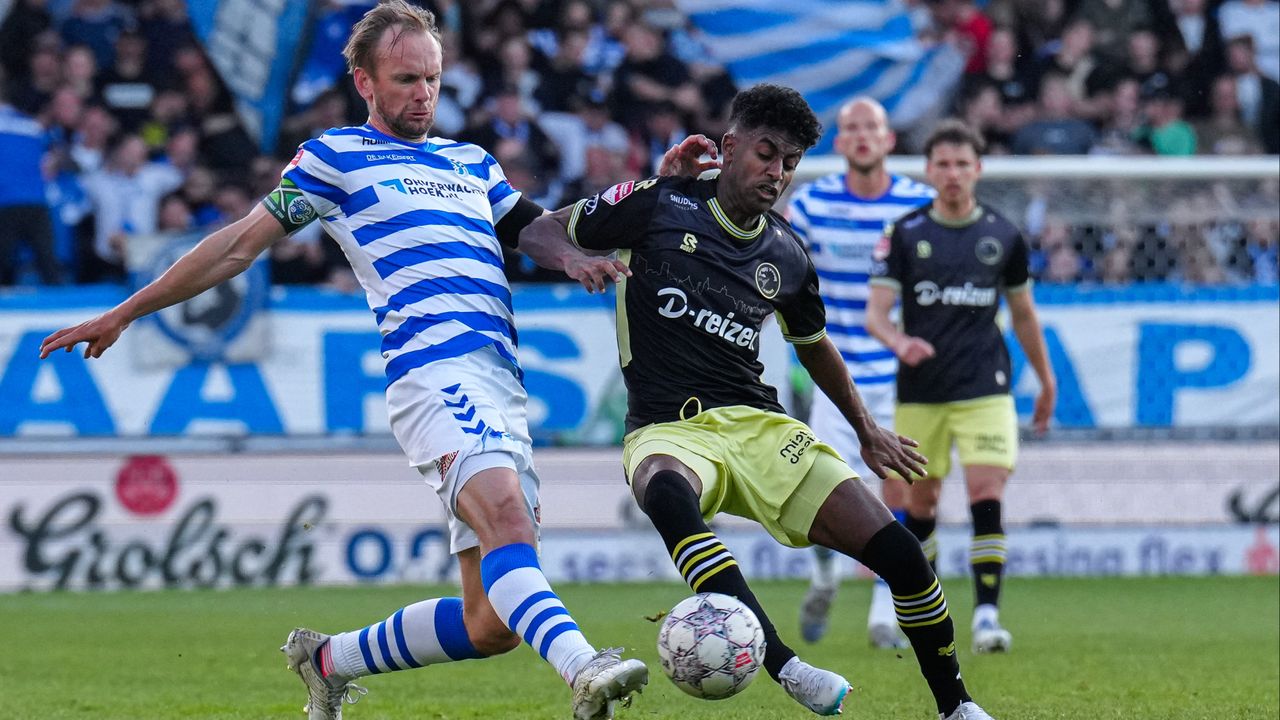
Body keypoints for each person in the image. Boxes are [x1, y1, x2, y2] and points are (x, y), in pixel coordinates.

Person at [37, 3, 715, 720]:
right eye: (406, 79)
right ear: (363, 80)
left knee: (490, 626)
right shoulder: (337, 158)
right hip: (433, 372)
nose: (423, 93)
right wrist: (125, 310)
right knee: (509, 524)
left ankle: (328, 662)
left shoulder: (469, 162)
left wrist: (640, 202)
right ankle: (585, 669)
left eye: (432, 78)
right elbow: (239, 244)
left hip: (501, 383)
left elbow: (537, 229)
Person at [520, 83, 997, 720]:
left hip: (761, 427)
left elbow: (814, 344)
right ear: (729, 146)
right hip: (668, 427)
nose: (776, 173)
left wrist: (865, 429)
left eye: (790, 163)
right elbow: (540, 230)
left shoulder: (788, 254)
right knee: (665, 490)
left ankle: (958, 707)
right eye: (766, 154)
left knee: (904, 556)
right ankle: (785, 665)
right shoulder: (656, 203)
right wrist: (579, 260)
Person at [866, 119, 1056, 655]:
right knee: (920, 505)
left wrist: (1045, 380)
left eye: (961, 164)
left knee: (985, 494)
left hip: (987, 389)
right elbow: (876, 315)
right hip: (922, 392)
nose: (952, 174)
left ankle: (988, 618)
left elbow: (1023, 315)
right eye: (942, 164)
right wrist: (901, 343)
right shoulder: (904, 234)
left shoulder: (1003, 235)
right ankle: (928, 611)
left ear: (978, 169)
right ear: (928, 171)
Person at [785, 97, 935, 650]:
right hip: (835, 376)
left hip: (900, 373)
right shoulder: (811, 205)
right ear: (840, 142)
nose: (864, 136)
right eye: (852, 128)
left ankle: (883, 606)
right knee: (824, 492)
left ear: (889, 138)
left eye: (872, 126)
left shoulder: (920, 205)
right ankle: (825, 573)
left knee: (900, 486)